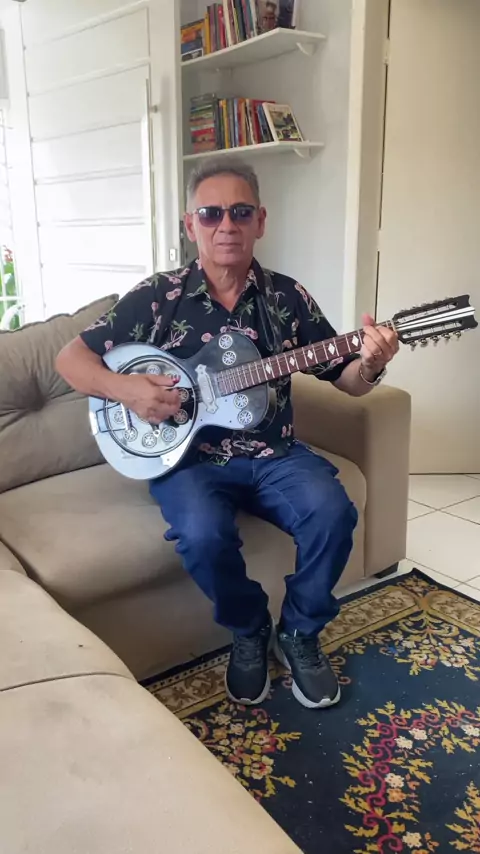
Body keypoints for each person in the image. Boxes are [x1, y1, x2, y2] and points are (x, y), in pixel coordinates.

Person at [56, 158, 399, 710]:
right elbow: (70, 360)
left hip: (274, 453)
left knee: (333, 512)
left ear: (260, 221)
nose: (226, 226)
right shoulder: (157, 296)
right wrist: (128, 390)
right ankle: (248, 628)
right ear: (190, 224)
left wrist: (373, 362)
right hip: (187, 458)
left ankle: (299, 631)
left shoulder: (287, 298)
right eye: (210, 214)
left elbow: (348, 381)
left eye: (240, 212)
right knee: (201, 534)